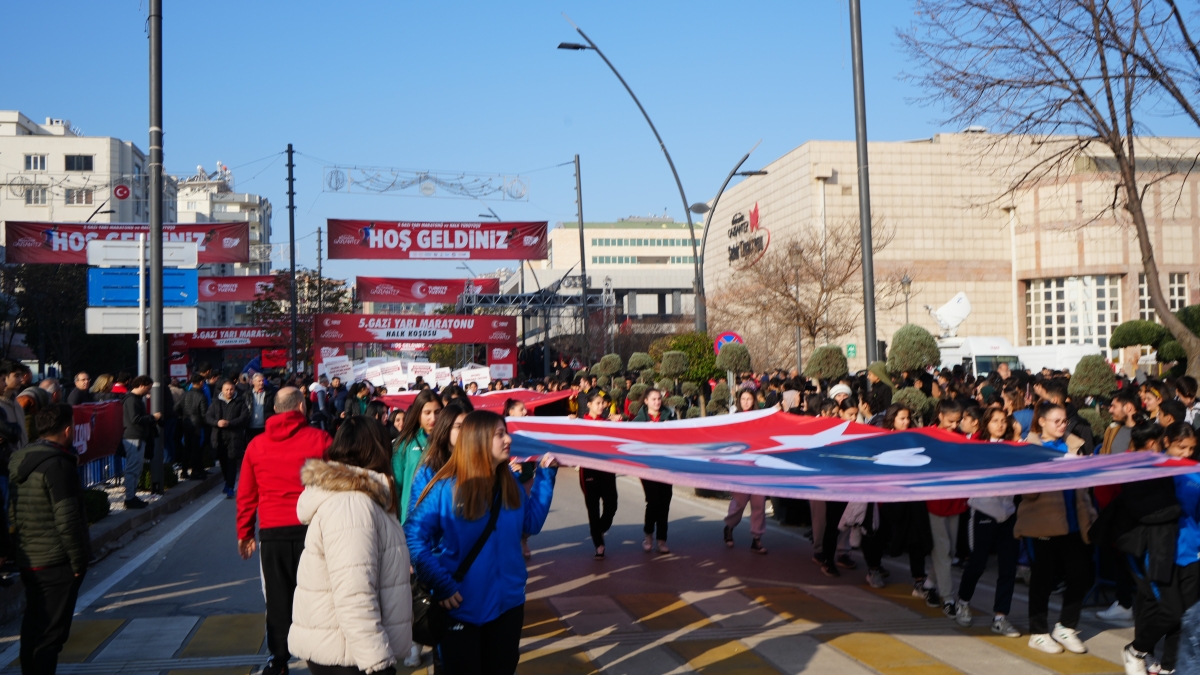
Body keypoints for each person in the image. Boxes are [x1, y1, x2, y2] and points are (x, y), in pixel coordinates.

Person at [405, 411, 557, 675]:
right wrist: (440, 582)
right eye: (499, 434)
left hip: (508, 607)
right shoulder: (445, 488)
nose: (508, 439)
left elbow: (530, 524)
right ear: (478, 440)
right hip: (461, 610)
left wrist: (546, 477)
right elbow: (411, 536)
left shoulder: (510, 483)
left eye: (505, 432)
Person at [288, 416, 412, 675]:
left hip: (349, 649)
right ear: (378, 449)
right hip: (349, 655)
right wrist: (377, 662)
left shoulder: (359, 498)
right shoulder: (351, 504)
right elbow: (354, 593)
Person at [236, 387, 331, 675]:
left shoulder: (256, 445)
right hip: (311, 531)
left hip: (272, 532)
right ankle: (321, 657)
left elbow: (247, 493)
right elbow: (333, 486)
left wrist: (245, 532)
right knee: (317, 595)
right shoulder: (321, 439)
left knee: (277, 598)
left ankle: (278, 661)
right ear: (302, 407)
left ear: (275, 410)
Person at [10, 403, 89, 675]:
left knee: (33, 626)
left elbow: (12, 511)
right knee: (50, 636)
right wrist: (79, 562)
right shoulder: (58, 465)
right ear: (68, 430)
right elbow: (67, 519)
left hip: (29, 558)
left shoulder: (20, 459)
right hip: (56, 561)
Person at [1016, 402, 1096, 655]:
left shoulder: (1074, 444)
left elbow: (1084, 484)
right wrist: (1051, 468)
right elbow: (1025, 491)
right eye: (1057, 421)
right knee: (1043, 579)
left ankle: (1066, 626)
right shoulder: (1029, 449)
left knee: (1082, 575)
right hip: (1043, 525)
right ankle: (1038, 633)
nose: (1063, 426)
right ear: (1041, 422)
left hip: (1075, 523)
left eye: (1064, 421)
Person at [953, 407, 1022, 638]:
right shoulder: (977, 448)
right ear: (986, 424)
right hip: (983, 510)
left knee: (1008, 567)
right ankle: (962, 601)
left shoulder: (1015, 448)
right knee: (978, 563)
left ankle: (1001, 617)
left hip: (1008, 514)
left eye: (1004, 421)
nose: (1000, 425)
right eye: (995, 421)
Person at [926, 399, 969, 617]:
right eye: (951, 421)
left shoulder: (962, 438)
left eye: (958, 421)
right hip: (934, 501)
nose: (955, 425)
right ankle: (948, 598)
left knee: (949, 550)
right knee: (943, 551)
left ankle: (929, 583)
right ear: (940, 415)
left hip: (956, 501)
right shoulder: (926, 436)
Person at [724, 388, 769, 555]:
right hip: (739, 468)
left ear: (754, 400)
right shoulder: (732, 420)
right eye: (743, 399)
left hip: (758, 468)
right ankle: (729, 527)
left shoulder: (761, 419)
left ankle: (757, 538)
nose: (746, 402)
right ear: (739, 400)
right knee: (739, 503)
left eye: (749, 399)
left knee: (759, 505)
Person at [634, 389, 675, 554]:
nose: (657, 402)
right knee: (653, 501)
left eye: (659, 399)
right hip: (647, 466)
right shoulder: (638, 421)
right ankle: (649, 534)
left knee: (665, 501)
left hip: (666, 465)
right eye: (653, 399)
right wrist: (645, 431)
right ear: (646, 401)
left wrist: (670, 429)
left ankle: (662, 539)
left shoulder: (669, 417)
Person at [392, 390, 442, 524]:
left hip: (442, 517)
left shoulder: (449, 441)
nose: (433, 418)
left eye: (437, 412)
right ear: (418, 413)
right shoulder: (404, 443)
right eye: (427, 413)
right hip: (412, 519)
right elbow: (396, 485)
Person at [579, 392, 619, 560]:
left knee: (611, 505)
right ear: (589, 404)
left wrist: (620, 423)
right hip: (589, 471)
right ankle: (599, 544)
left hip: (607, 469)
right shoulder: (580, 424)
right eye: (598, 403)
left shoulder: (609, 423)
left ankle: (599, 529)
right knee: (593, 509)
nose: (602, 406)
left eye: (603, 403)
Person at [121, 376, 159, 510]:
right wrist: (152, 417)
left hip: (137, 437)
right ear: (142, 385)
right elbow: (135, 419)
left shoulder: (134, 399)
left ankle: (132, 496)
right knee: (133, 469)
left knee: (137, 468)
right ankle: (130, 498)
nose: (148, 392)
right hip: (134, 437)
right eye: (148, 388)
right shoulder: (132, 400)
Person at [206, 380, 248, 498]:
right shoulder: (215, 403)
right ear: (222, 390)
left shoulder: (240, 402)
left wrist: (230, 423)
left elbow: (244, 417)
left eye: (231, 389)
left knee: (232, 462)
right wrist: (217, 422)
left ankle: (230, 486)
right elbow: (208, 417)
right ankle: (227, 481)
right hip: (219, 436)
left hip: (234, 437)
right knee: (223, 462)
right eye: (227, 389)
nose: (229, 392)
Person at [174, 374, 209, 480]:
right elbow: (204, 414)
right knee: (196, 448)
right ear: (201, 383)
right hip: (197, 424)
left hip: (186, 422)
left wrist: (182, 415)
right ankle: (196, 471)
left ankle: (184, 471)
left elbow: (176, 407)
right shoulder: (201, 396)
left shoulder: (185, 395)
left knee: (187, 447)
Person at [243, 373, 276, 444]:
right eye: (259, 381)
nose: (261, 383)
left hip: (265, 427)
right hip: (250, 427)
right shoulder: (246, 395)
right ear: (253, 382)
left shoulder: (270, 394)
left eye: (262, 380)